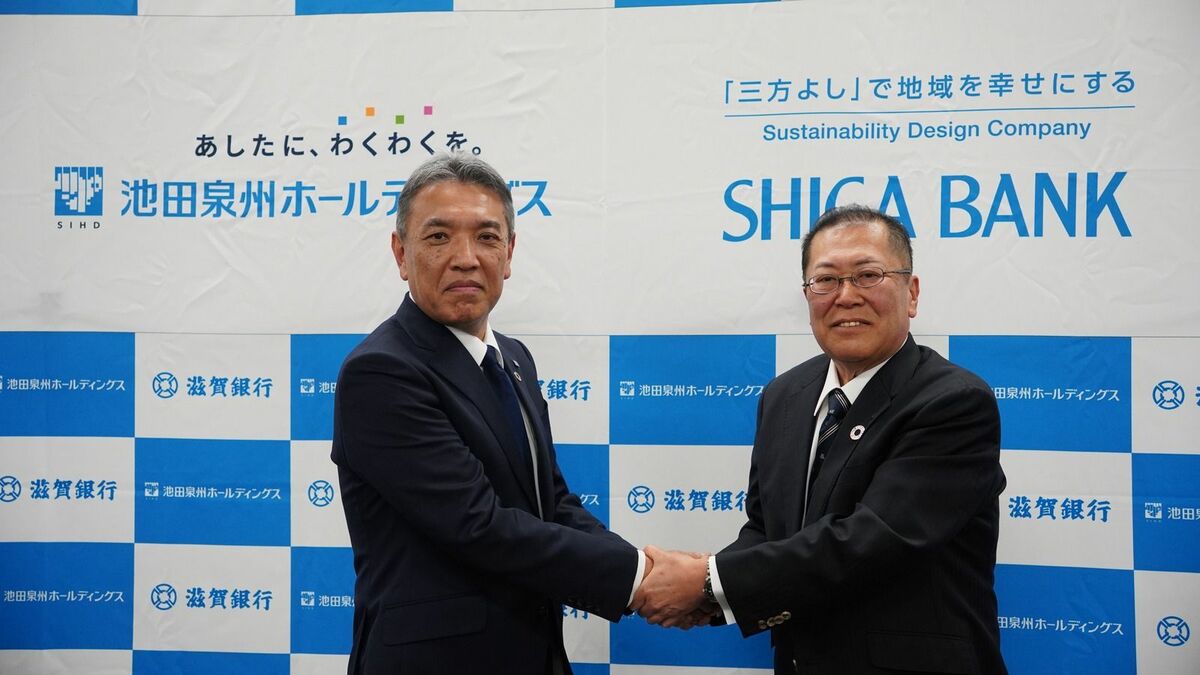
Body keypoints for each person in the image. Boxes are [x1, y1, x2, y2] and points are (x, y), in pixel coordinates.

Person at [634, 205, 1007, 674]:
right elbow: (766, 529)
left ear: (911, 293)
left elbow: (869, 542)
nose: (846, 296)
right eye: (826, 280)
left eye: (868, 275)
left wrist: (708, 582)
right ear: (807, 295)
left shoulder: (954, 402)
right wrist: (708, 594)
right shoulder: (785, 396)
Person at [332, 153, 645, 675]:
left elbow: (550, 501)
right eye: (438, 237)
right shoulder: (381, 370)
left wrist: (638, 567)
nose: (466, 258)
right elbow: (478, 525)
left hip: (534, 652)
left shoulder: (515, 359)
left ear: (509, 252)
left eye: (486, 237)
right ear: (401, 253)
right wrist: (640, 579)